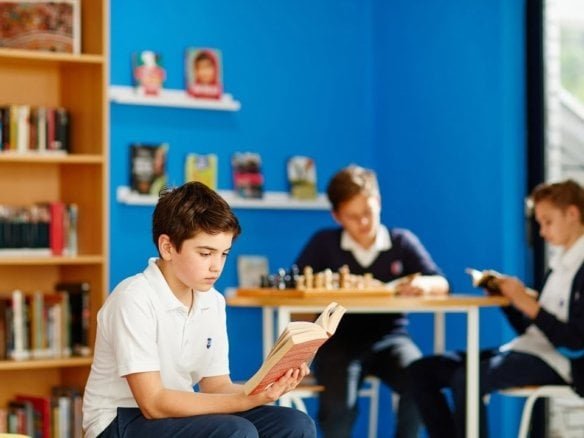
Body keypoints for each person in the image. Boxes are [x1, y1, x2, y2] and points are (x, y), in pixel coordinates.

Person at [83, 181, 316, 438]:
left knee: (296, 424)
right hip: (120, 419)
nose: (217, 266)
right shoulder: (133, 298)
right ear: (168, 247)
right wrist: (243, 401)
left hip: (177, 411)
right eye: (206, 253)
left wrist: (265, 389)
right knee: (236, 431)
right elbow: (153, 403)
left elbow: (215, 386)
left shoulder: (212, 301)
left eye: (224, 254)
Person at [408, 179, 584, 438]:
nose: (542, 232)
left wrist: (526, 302)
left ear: (572, 213)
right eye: (539, 223)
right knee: (421, 371)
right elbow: (534, 330)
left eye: (548, 221)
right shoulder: (559, 263)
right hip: (529, 349)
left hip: (563, 363)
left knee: (469, 380)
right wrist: (512, 301)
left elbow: (575, 344)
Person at [294, 165, 450, 438]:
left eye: (368, 212)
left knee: (420, 379)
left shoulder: (401, 241)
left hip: (391, 338)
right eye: (353, 217)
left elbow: (441, 282)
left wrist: (422, 284)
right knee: (339, 408)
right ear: (337, 216)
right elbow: (295, 290)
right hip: (338, 341)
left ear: (378, 202)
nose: (364, 223)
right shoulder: (324, 243)